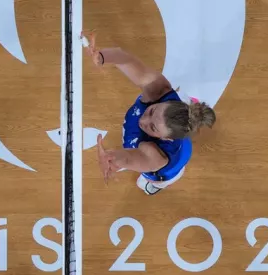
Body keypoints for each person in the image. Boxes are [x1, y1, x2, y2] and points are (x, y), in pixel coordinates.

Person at [83, 32, 217, 195]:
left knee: (152, 181)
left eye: (152, 127)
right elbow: (121, 56)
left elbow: (127, 158)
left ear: (165, 138)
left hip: (166, 170)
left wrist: (111, 158)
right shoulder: (159, 90)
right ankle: (188, 107)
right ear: (164, 101)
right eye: (152, 111)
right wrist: (102, 57)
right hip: (173, 117)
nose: (143, 120)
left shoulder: (157, 157)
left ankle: (154, 187)